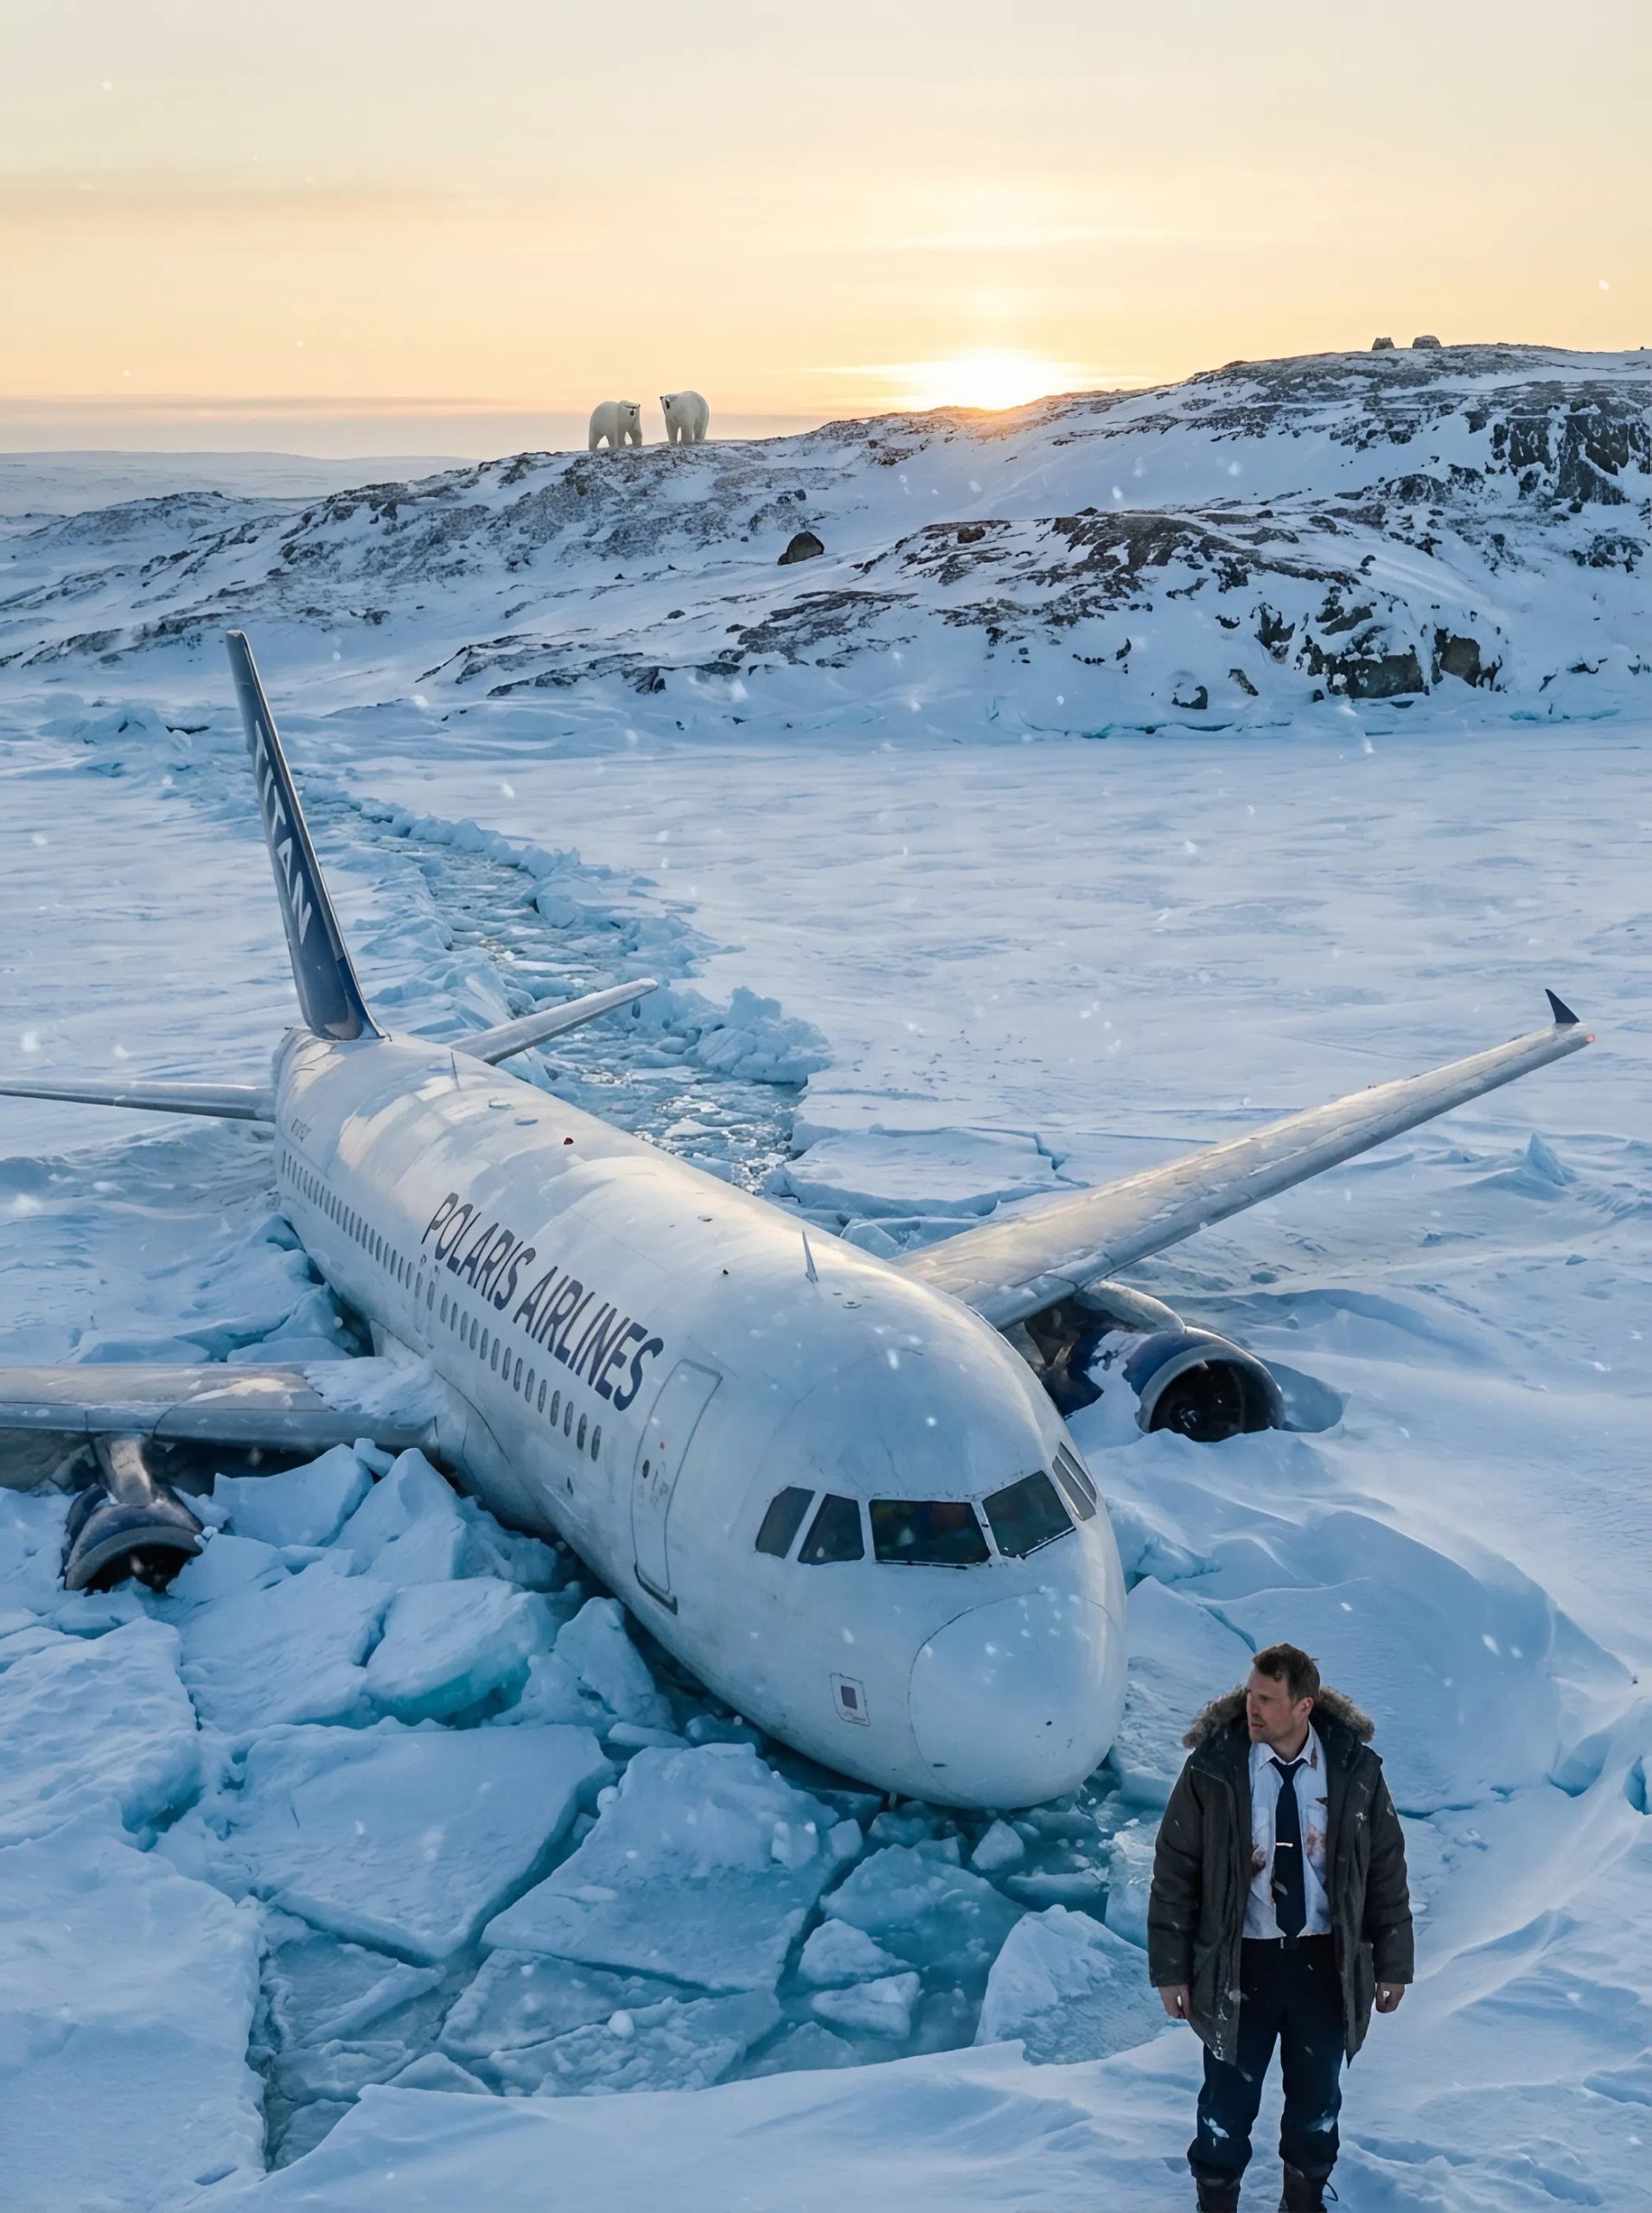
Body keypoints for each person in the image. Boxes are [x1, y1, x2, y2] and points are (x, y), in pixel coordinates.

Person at [1148, 1642, 1413, 2211]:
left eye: (1267, 1698)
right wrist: (1171, 1970)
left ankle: (1303, 2200)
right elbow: (1174, 1871)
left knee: (1317, 2102)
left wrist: (1393, 1963)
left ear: (1304, 1706)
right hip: (1240, 1964)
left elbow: (1385, 1869)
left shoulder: (1354, 1771)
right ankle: (1215, 2201)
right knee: (1225, 2106)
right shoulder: (1214, 1770)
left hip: (1324, 1964)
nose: (1252, 1706)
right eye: (1250, 1694)